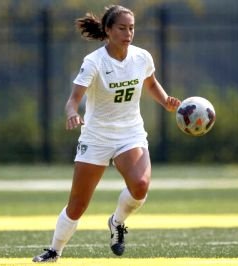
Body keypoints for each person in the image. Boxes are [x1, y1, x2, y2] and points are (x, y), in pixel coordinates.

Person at [32, 5, 181, 262]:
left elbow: (151, 83)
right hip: (96, 136)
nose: (128, 33)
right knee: (77, 204)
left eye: (131, 27)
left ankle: (117, 222)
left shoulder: (142, 57)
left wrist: (166, 100)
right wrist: (71, 113)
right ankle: (55, 250)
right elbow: (73, 100)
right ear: (108, 30)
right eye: (122, 28)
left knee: (141, 186)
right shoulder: (94, 62)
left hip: (130, 134)